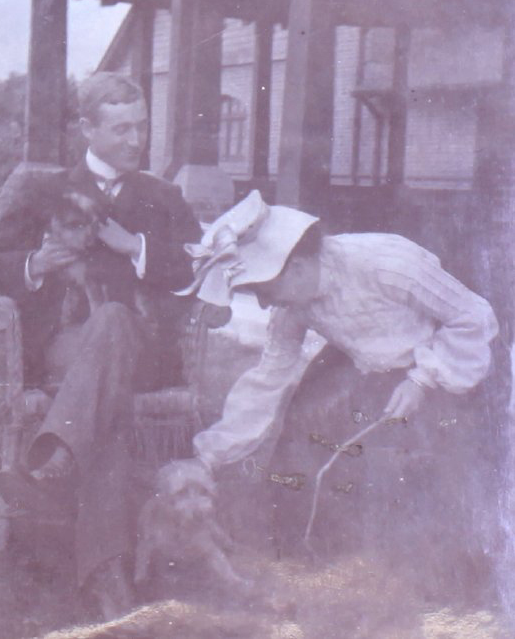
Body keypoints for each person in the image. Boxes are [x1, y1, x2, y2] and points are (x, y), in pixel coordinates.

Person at [0, 72, 201, 617]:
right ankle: (106, 575)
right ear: (87, 128)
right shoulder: (43, 195)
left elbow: (201, 272)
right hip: (70, 355)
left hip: (144, 353)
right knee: (103, 407)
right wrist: (33, 265)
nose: (135, 140)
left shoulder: (163, 197)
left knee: (113, 320)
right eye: (120, 129)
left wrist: (136, 246)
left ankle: (55, 461)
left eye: (141, 127)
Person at [171, 190, 499, 582]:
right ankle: (316, 563)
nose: (262, 304)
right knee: (309, 440)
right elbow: (270, 377)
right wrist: (209, 454)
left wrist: (422, 379)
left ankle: (451, 580)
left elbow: (473, 317)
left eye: (264, 290)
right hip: (378, 373)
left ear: (298, 266)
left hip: (460, 369)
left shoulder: (387, 262)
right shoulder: (292, 306)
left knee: (439, 482)